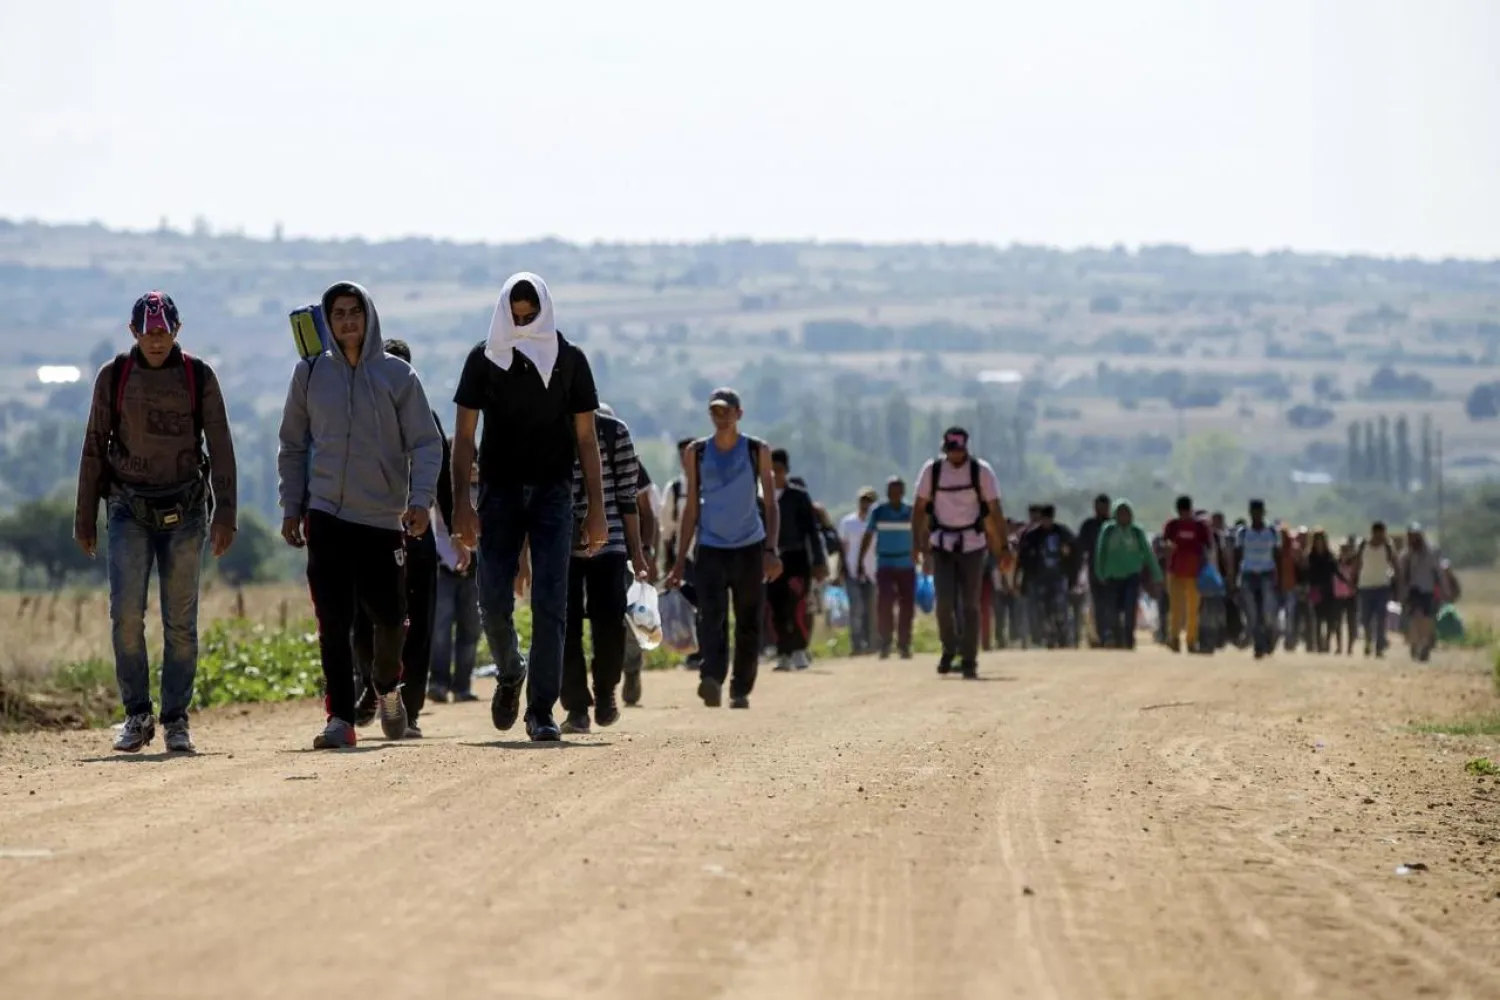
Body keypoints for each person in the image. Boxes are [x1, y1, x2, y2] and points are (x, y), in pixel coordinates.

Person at [278, 282, 442, 749]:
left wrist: (420, 500)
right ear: (326, 323)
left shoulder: (398, 376)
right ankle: (340, 720)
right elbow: (292, 444)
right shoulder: (310, 374)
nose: (347, 321)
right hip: (326, 513)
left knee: (390, 620)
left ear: (369, 317)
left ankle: (388, 687)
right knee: (333, 620)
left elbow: (427, 443)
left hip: (381, 518)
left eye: (355, 312)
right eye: (339, 314)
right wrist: (292, 505)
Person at [74, 291, 238, 753]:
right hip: (128, 507)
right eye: (149, 333)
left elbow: (221, 443)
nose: (156, 340)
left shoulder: (198, 376)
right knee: (126, 615)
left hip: (186, 509)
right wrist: (84, 515)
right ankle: (136, 714)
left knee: (180, 621)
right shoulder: (114, 377)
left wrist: (226, 512)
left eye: (164, 332)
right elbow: (93, 445)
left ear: (177, 331)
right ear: (134, 333)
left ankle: (176, 719)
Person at [450, 273, 608, 743]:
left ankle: (541, 709)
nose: (521, 322)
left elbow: (586, 438)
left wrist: (595, 508)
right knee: (492, 599)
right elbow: (463, 436)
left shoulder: (570, 361)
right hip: (498, 492)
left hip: (552, 493)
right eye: (514, 314)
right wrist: (461, 502)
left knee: (551, 604)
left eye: (529, 314)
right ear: (503, 309)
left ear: (543, 310)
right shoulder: (484, 359)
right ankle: (510, 670)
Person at [350, 339, 454, 737]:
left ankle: (407, 712)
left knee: (418, 626)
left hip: (416, 534)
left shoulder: (426, 418)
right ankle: (376, 685)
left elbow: (441, 478)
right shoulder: (358, 417)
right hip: (369, 531)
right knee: (363, 621)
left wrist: (454, 532)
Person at [665, 387, 781, 709]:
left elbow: (771, 505)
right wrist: (678, 563)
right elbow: (690, 510)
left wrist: (771, 549)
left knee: (747, 621)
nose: (721, 417)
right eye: (715, 411)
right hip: (711, 546)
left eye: (726, 411)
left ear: (739, 414)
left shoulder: (758, 450)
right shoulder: (697, 453)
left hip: (749, 547)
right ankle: (712, 678)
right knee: (710, 616)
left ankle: (740, 688)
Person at [560, 404, 653, 735]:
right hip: (562, 547)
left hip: (609, 544)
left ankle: (605, 693)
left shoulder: (615, 433)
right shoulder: (550, 429)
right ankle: (576, 707)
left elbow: (628, 497)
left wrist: (637, 552)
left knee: (610, 624)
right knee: (564, 627)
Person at [913, 428, 1006, 678]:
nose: (955, 456)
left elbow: (995, 509)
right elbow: (919, 508)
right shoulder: (932, 472)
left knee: (970, 604)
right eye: (950, 451)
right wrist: (917, 545)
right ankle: (949, 647)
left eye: (958, 451)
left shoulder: (981, 472)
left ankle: (969, 658)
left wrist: (1004, 545)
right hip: (942, 544)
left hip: (973, 545)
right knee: (943, 602)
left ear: (965, 449)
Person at [768, 453, 828, 671]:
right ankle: (783, 652)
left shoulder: (798, 497)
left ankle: (800, 650)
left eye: (779, 469)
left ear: (786, 470)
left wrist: (819, 561)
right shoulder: (760, 497)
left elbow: (812, 531)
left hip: (796, 558)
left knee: (797, 605)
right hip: (770, 560)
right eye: (770, 469)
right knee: (776, 609)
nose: (775, 474)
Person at [430, 450, 481, 703]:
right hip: (444, 566)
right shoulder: (441, 491)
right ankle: (438, 683)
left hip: (475, 570)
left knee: (470, 630)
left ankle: (462, 686)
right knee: (440, 630)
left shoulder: (484, 488)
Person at [859, 476, 916, 659]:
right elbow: (868, 535)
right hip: (885, 564)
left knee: (907, 606)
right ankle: (885, 643)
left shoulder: (910, 512)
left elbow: (921, 533)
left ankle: (904, 644)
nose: (894, 495)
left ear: (903, 492)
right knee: (884, 604)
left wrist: (924, 553)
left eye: (898, 491)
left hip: (906, 564)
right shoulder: (878, 512)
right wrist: (860, 559)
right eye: (891, 491)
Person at [1094, 499, 1162, 649]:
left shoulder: (1137, 532)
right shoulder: (1108, 530)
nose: (1124, 517)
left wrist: (1157, 576)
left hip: (1132, 576)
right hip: (1112, 576)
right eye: (1120, 513)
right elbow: (1101, 552)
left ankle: (1129, 639)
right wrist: (1100, 573)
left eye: (1126, 513)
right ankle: (1116, 638)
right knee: (1112, 610)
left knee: (1130, 608)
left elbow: (1148, 554)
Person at [1015, 504, 1078, 649]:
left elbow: (1075, 553)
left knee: (1060, 609)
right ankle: (1048, 637)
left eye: (1048, 519)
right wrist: (1022, 579)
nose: (1046, 522)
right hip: (1039, 579)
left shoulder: (1063, 533)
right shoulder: (1032, 536)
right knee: (1042, 609)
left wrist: (1072, 575)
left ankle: (1063, 637)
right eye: (1044, 519)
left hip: (1059, 577)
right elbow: (1023, 559)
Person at [1161, 495, 1213, 653]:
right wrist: (1168, 546)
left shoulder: (1199, 527)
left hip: (1194, 574)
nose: (1184, 514)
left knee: (1192, 610)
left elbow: (1208, 546)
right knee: (1176, 608)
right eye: (1182, 512)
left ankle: (1191, 641)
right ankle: (1174, 639)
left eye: (1186, 511)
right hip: (1175, 573)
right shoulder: (1172, 525)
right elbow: (1164, 542)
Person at [1232, 500, 1281, 659]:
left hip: (1267, 574)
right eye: (1254, 512)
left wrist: (1278, 578)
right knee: (1252, 614)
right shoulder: (1243, 533)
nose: (1256, 515)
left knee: (1267, 613)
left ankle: (1270, 639)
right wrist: (1233, 580)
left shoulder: (1272, 532)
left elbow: (1277, 556)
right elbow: (1237, 556)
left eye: (1259, 512)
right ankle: (1258, 646)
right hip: (1248, 575)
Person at [839, 487, 880, 655]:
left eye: (869, 501)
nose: (866, 504)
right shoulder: (848, 522)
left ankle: (872, 644)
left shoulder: (877, 524)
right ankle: (857, 644)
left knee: (871, 609)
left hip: (873, 572)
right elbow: (843, 547)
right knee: (856, 608)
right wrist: (841, 569)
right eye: (863, 500)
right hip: (852, 572)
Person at [1354, 521, 1397, 658]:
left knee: (1381, 617)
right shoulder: (1363, 545)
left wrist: (1397, 580)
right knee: (1366, 618)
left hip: (1382, 586)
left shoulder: (1388, 546)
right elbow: (1357, 563)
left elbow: (1394, 563)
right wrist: (1353, 579)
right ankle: (1368, 642)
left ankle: (1379, 646)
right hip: (1365, 586)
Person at [1400, 523, 1441, 662]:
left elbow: (1438, 571)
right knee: (1415, 617)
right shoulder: (1406, 554)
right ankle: (1416, 643)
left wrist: (1443, 588)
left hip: (1428, 589)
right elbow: (1402, 573)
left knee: (1427, 619)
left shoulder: (1430, 553)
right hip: (1413, 590)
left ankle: (1423, 644)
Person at [1076, 494, 1111, 646]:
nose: (1101, 510)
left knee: (1111, 604)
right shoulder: (1088, 526)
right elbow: (1080, 547)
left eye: (1103, 507)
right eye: (1098, 507)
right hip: (1094, 570)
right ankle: (1100, 635)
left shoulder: (1113, 526)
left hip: (1113, 571)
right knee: (1097, 605)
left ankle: (1110, 634)